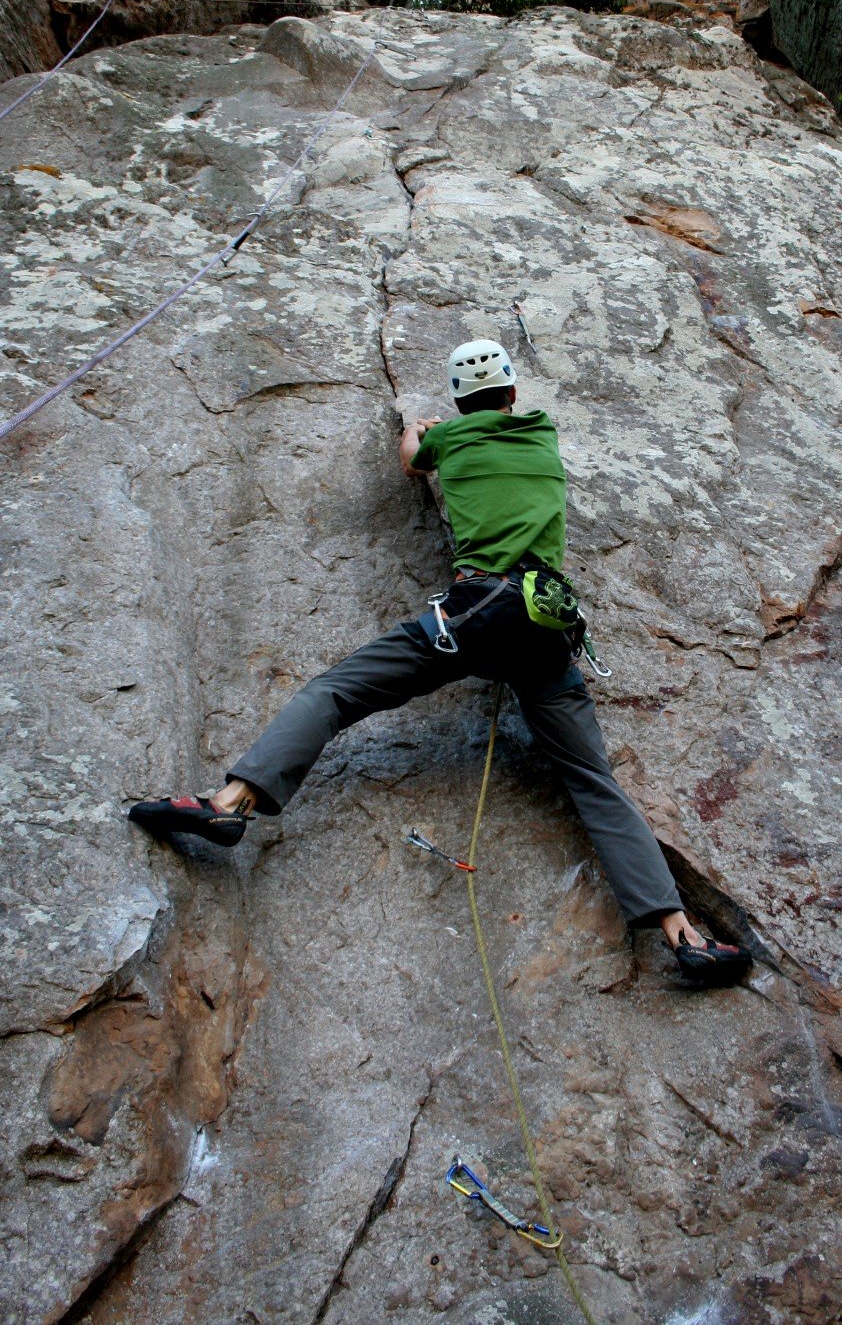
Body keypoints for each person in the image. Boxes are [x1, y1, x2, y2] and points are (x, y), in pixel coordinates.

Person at [130, 339, 751, 986]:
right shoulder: (541, 437)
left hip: (474, 617)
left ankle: (231, 801)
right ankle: (684, 935)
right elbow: (503, 428)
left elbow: (411, 460)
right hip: (545, 625)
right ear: (512, 395)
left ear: (460, 402)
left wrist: (413, 428)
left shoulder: (449, 442)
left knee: (338, 693)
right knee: (593, 779)